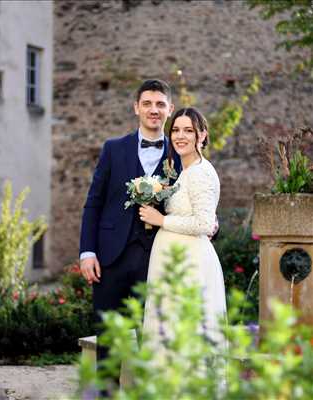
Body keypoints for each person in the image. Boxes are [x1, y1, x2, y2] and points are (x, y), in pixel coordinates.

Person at [79, 79, 179, 387]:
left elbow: (194, 201)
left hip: (158, 259)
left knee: (156, 337)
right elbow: (93, 203)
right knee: (109, 338)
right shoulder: (113, 149)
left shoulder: (180, 155)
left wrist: (209, 224)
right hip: (111, 258)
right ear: (136, 107)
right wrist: (88, 252)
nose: (153, 110)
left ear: (170, 110)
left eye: (160, 104)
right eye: (147, 104)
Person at [140, 107, 227, 355]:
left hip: (190, 264)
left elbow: (205, 225)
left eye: (188, 130)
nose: (180, 136)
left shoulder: (200, 172)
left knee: (186, 336)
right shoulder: (185, 171)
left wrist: (161, 220)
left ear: (202, 135)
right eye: (176, 130)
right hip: (176, 261)